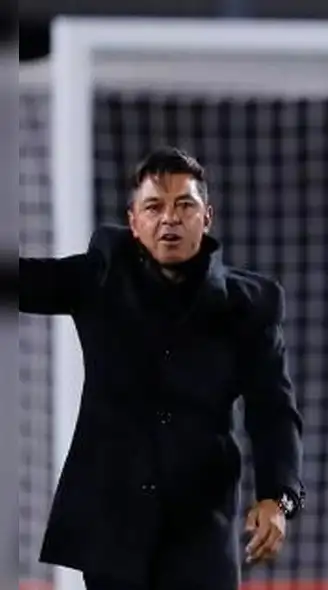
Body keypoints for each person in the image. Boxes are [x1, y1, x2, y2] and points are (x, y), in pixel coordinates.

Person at [19, 147, 305, 590]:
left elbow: (273, 410)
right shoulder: (101, 279)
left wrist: (278, 498)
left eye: (184, 205)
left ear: (206, 216)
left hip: (201, 526)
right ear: (134, 222)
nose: (169, 218)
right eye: (154, 206)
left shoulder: (248, 307)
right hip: (113, 523)